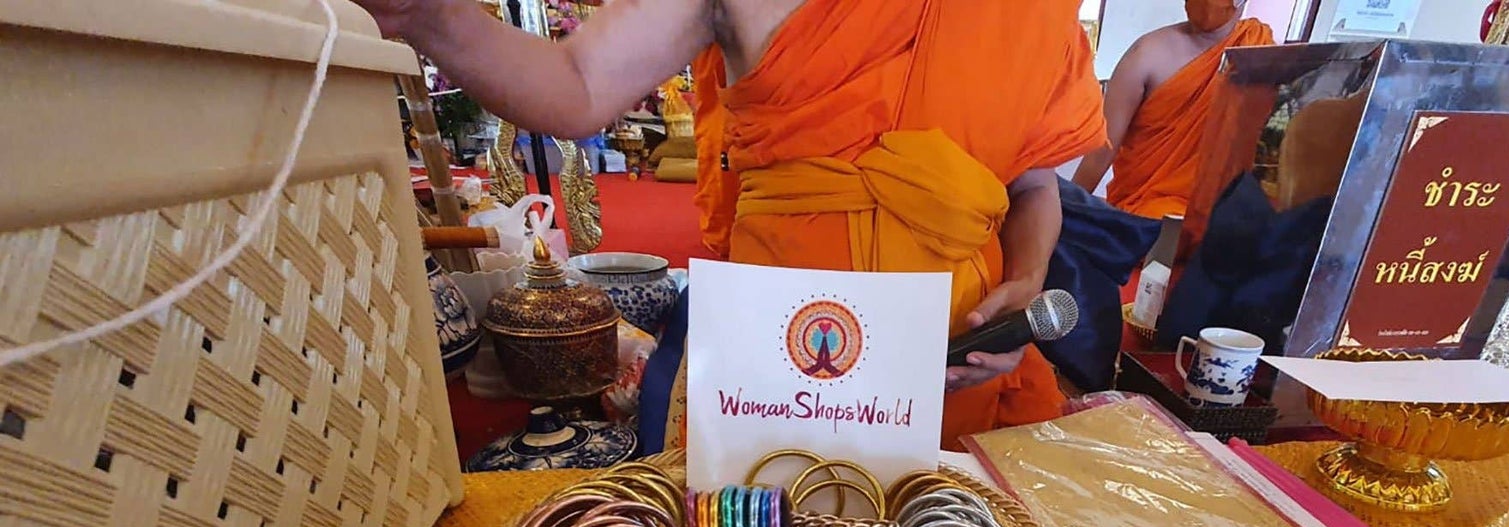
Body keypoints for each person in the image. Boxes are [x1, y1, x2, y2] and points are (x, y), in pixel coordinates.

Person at [352, 0, 1105, 447]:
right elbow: (578, 85)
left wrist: (1026, 281)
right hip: (783, 354)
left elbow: (1033, 183)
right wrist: (429, 14)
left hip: (958, 352)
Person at [1073, 1, 1274, 219]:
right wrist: (1067, 208)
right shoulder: (1146, 54)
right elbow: (1102, 150)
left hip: (1223, 211)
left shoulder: (1260, 53)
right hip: (1148, 210)